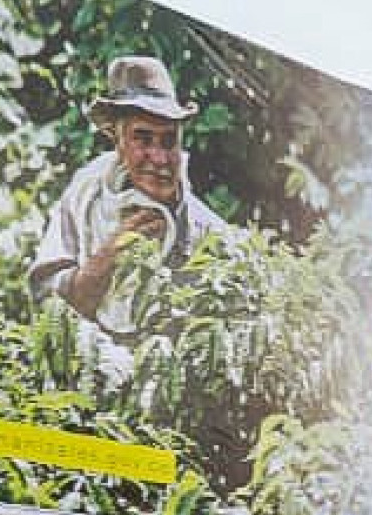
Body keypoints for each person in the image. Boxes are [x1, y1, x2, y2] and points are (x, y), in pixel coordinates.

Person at [30, 55, 227, 331]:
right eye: (143, 139)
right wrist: (112, 253)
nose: (159, 158)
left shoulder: (206, 232)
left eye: (168, 141)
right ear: (117, 139)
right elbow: (48, 304)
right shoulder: (84, 200)